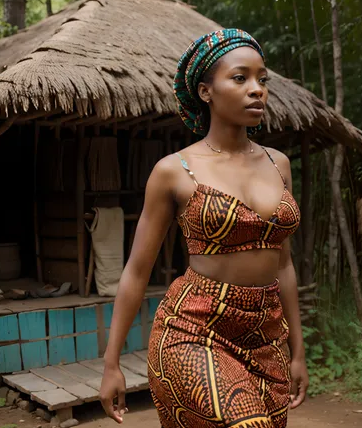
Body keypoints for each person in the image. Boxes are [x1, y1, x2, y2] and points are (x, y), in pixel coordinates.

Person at [100, 29, 309, 427]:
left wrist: (297, 350)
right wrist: (111, 363)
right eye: (240, 77)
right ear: (205, 91)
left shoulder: (278, 164)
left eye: (262, 80)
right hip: (194, 329)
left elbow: (283, 264)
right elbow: (137, 271)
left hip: (267, 336)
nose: (256, 90)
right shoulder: (174, 171)